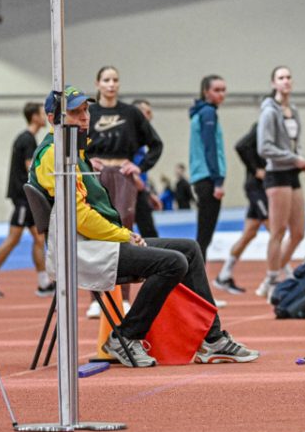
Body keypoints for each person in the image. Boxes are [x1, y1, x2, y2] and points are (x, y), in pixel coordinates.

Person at [31, 86, 257, 367]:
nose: (85, 117)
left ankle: (212, 339)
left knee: (189, 248)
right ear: (53, 118)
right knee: (173, 263)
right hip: (84, 251)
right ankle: (125, 336)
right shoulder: (55, 156)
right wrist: (124, 234)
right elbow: (81, 218)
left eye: (86, 110)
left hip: (99, 243)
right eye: (75, 113)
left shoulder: (72, 151)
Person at [0, 102, 51, 299]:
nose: (45, 117)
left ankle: (44, 283)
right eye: (42, 114)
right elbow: (31, 168)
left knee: (39, 238)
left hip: (27, 198)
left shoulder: (27, 138)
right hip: (23, 199)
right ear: (34, 116)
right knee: (13, 238)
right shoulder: (27, 140)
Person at [255, 66, 305, 296]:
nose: (286, 81)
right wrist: (293, 159)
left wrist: (300, 157)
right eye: (281, 78)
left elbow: (296, 141)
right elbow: (264, 147)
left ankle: (276, 271)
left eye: (288, 77)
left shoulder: (293, 110)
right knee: (278, 231)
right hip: (277, 174)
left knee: (298, 232)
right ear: (273, 84)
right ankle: (271, 279)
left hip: (292, 174)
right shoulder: (269, 112)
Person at [87, 67, 162, 232]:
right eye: (106, 80)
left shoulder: (131, 113)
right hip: (95, 176)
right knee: (97, 223)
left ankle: (125, 257)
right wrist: (86, 162)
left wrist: (140, 167)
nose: (111, 84)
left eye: (115, 80)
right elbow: (73, 145)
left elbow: (156, 144)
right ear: (97, 84)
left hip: (123, 175)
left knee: (123, 224)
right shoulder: (89, 113)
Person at [214, 120, 269, 295]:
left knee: (250, 233)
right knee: (274, 229)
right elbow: (241, 146)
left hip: (261, 187)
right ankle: (283, 277)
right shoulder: (261, 126)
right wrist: (256, 169)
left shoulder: (274, 129)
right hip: (257, 188)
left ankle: (224, 275)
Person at [188, 74, 227, 255]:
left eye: (223, 90)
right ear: (206, 92)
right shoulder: (208, 113)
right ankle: (196, 280)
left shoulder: (200, 113)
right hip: (208, 178)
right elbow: (210, 148)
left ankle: (196, 279)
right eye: (216, 90)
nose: (221, 94)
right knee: (204, 237)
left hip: (201, 176)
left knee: (203, 236)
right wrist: (218, 181)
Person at [130, 99, 164, 238]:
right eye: (147, 112)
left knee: (148, 232)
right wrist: (133, 178)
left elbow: (141, 169)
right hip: (129, 188)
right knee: (146, 232)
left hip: (140, 189)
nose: (151, 116)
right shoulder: (128, 135)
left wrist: (148, 192)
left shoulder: (143, 137)